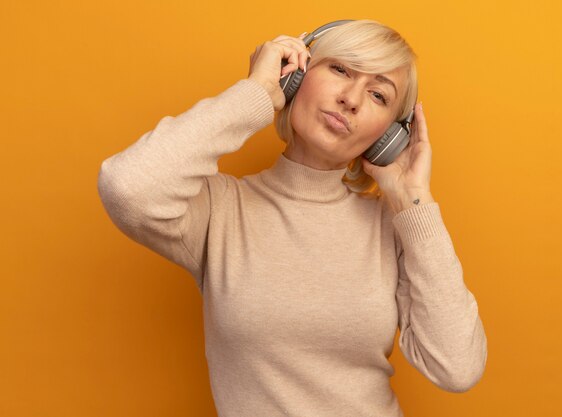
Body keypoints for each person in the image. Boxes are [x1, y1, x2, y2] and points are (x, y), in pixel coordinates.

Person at [97, 19, 487, 417]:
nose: (351, 98)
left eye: (378, 95)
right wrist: (256, 94)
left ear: (389, 136)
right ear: (296, 74)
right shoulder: (220, 210)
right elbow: (127, 187)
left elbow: (458, 366)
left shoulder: (394, 227)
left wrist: (413, 201)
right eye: (340, 70)